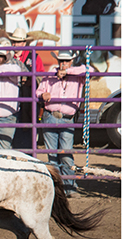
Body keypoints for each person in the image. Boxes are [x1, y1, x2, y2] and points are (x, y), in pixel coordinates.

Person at [37, 50, 93, 196]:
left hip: (67, 118)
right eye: (61, 61)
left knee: (66, 154)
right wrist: (42, 94)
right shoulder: (50, 75)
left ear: (71, 62)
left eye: (66, 61)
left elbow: (90, 70)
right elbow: (38, 91)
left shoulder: (77, 75)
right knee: (52, 155)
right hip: (50, 116)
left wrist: (68, 71)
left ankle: (69, 186)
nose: (63, 64)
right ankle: (56, 188)